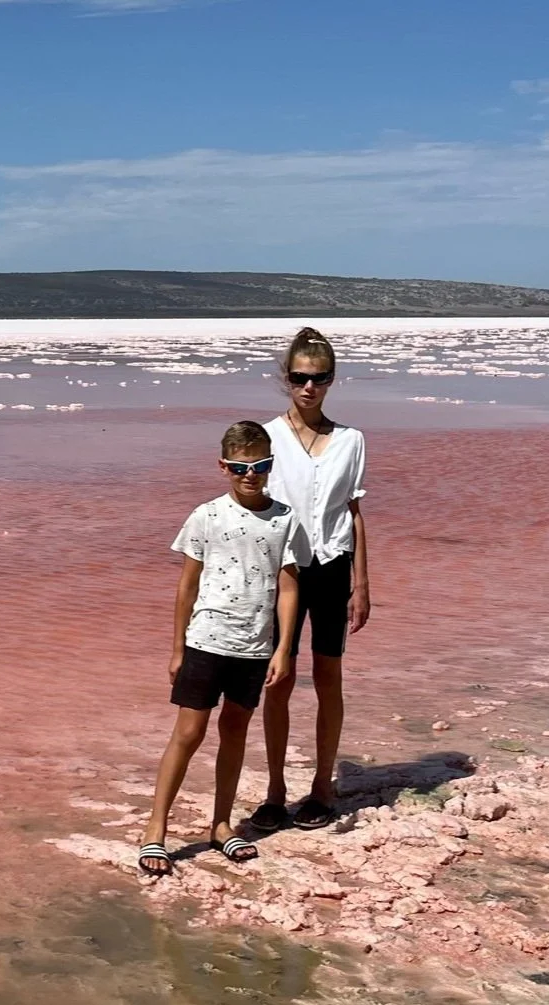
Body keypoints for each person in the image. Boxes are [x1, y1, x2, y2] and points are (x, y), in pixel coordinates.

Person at [138, 421, 300, 876]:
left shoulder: (285, 519)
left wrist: (283, 649)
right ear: (223, 466)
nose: (251, 475)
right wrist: (176, 648)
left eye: (261, 466)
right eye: (240, 467)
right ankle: (156, 830)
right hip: (206, 641)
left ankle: (222, 824)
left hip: (254, 647)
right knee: (188, 734)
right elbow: (186, 586)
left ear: (271, 465)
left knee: (235, 732)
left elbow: (289, 590)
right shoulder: (206, 515)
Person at [250, 328, 370, 832]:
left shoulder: (351, 441)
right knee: (278, 680)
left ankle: (322, 786)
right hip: (284, 571)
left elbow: (355, 511)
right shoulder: (267, 437)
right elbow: (252, 509)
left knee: (329, 677)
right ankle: (275, 790)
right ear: (286, 379)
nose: (309, 387)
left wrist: (362, 585)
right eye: (300, 378)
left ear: (331, 380)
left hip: (333, 567)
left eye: (319, 378)